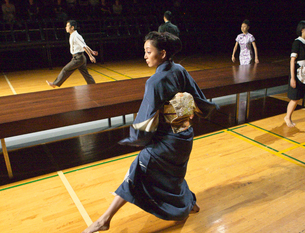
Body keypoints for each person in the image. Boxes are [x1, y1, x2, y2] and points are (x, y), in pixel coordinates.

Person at [82, 31, 218, 233]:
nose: (145, 56)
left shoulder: (154, 82)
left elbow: (144, 120)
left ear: (162, 53)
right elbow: (200, 99)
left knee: (137, 170)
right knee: (172, 178)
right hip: (184, 138)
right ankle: (189, 205)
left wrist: (135, 139)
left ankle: (104, 221)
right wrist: (195, 111)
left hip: (168, 141)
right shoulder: (179, 69)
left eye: (148, 51)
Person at [46, 20, 97, 88]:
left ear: (72, 27)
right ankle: (93, 85)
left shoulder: (75, 36)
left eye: (67, 26)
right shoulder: (75, 35)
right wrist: (91, 51)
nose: (66, 27)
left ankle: (55, 84)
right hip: (80, 58)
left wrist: (91, 56)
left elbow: (84, 46)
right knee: (85, 74)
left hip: (78, 58)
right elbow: (85, 45)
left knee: (66, 69)